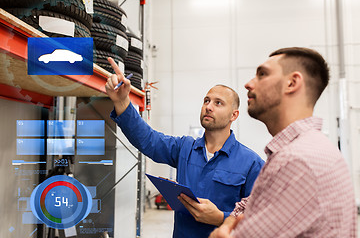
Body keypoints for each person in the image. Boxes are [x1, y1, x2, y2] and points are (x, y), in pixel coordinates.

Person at [105, 57, 264, 238]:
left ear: (233, 115)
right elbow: (148, 139)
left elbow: (260, 218)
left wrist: (221, 218)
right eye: (206, 101)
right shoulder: (185, 148)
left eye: (218, 103)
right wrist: (121, 101)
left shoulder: (251, 163)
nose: (208, 107)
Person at [209, 47, 358, 238]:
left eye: (262, 74)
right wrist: (230, 221)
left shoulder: (299, 161)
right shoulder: (301, 150)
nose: (248, 84)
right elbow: (251, 204)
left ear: (292, 83)